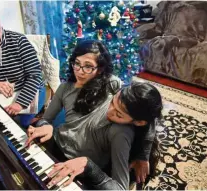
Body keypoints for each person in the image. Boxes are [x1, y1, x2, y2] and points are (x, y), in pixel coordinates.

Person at [25, 40, 161, 189]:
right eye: (76, 63)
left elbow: (147, 111)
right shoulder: (65, 88)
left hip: (82, 167)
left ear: (100, 69)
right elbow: (46, 119)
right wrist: (45, 126)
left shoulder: (112, 86)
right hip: (57, 144)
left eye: (88, 66)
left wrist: (143, 154)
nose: (80, 71)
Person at [45, 82, 163, 190]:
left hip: (77, 168)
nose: (109, 111)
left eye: (118, 114)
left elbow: (121, 188)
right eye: (112, 102)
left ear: (139, 122)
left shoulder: (121, 133)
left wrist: (90, 166)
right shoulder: (120, 91)